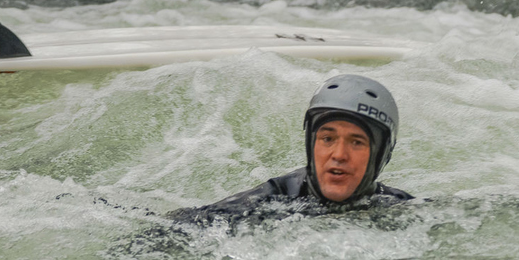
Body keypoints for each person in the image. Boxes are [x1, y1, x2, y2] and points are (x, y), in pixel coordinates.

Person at [167, 74, 413, 224]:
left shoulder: (402, 209)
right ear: (310, 144)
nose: (339, 155)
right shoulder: (264, 204)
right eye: (327, 139)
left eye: (357, 142)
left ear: (382, 155)